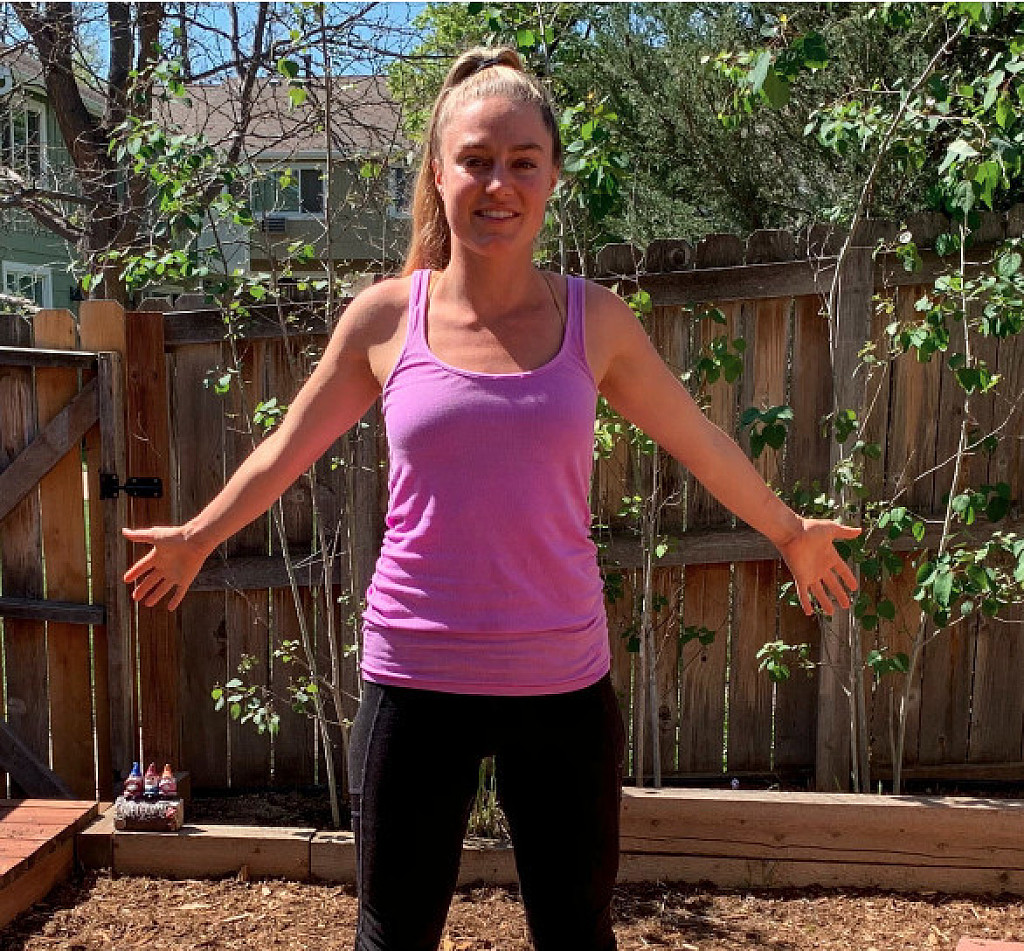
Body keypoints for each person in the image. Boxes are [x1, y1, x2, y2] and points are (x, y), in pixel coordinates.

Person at [123, 47, 859, 951]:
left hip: (561, 682)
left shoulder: (595, 321)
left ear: (552, 177)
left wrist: (789, 529)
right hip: (414, 677)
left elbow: (698, 438)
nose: (497, 183)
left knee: (576, 934)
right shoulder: (386, 319)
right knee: (393, 935)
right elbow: (286, 449)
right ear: (439, 173)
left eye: (522, 161)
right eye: (475, 159)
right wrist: (199, 536)